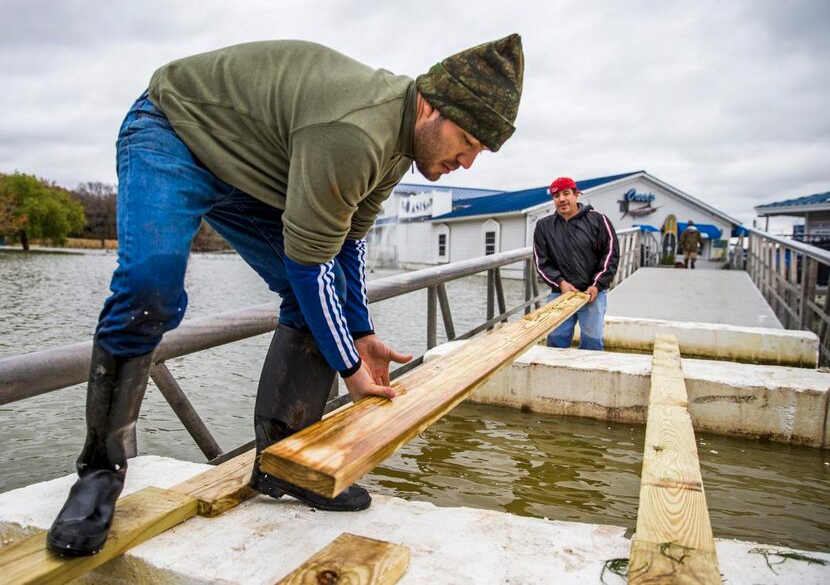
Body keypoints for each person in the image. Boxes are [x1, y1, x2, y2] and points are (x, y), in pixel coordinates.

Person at [47, 35, 524, 556]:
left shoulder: (398, 147)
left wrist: (361, 330)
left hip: (252, 169)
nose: (469, 162)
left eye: (480, 151)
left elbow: (349, 241)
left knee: (318, 302)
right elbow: (309, 263)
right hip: (175, 131)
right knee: (150, 290)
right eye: (469, 142)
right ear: (431, 107)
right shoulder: (355, 132)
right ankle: (99, 472)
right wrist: (349, 365)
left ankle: (283, 464)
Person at [533, 177, 619, 350]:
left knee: (592, 342)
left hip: (592, 294)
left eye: (566, 193)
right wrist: (561, 283)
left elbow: (610, 254)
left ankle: (592, 376)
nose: (562, 199)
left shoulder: (599, 220)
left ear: (576, 194)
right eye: (556, 196)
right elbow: (541, 262)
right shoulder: (544, 226)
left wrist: (596, 285)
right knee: (556, 341)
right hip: (560, 294)